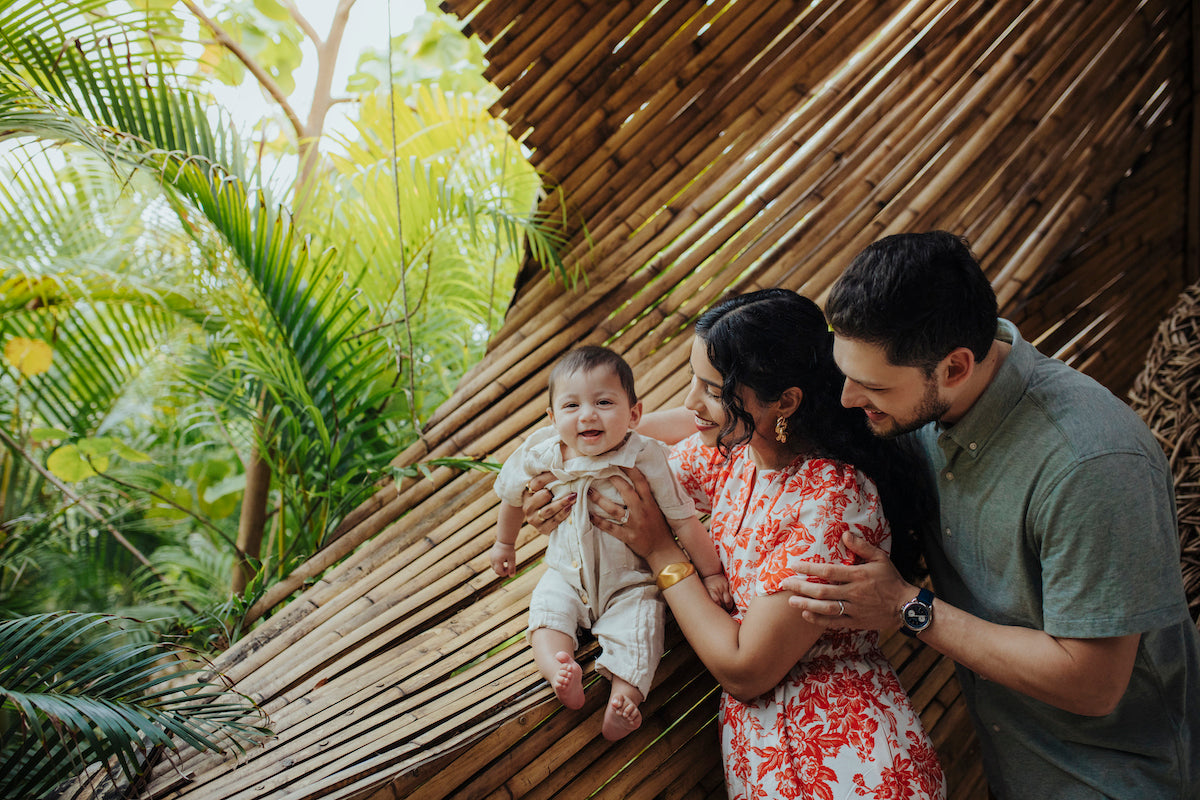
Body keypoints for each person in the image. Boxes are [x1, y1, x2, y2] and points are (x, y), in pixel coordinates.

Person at [780, 231, 1200, 798]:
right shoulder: (909, 402)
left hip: (1118, 778)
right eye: (845, 373)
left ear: (954, 367)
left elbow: (1094, 683)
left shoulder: (1093, 466)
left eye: (872, 385)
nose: (849, 398)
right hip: (1011, 767)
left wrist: (907, 606)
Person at [527, 291, 946, 799]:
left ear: (785, 402)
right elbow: (629, 453)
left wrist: (662, 552)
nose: (688, 402)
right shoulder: (738, 457)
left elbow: (746, 670)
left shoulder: (831, 501)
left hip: (851, 765)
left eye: (711, 388)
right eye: (692, 378)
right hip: (768, 764)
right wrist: (556, 472)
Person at [491, 345, 731, 742]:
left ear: (634, 414)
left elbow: (683, 520)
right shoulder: (543, 452)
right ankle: (558, 668)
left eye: (604, 402)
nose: (587, 415)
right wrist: (504, 543)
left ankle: (625, 699)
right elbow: (512, 494)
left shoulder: (646, 456)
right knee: (548, 610)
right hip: (566, 572)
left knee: (642, 628)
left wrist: (710, 573)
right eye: (571, 406)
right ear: (552, 418)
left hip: (631, 581)